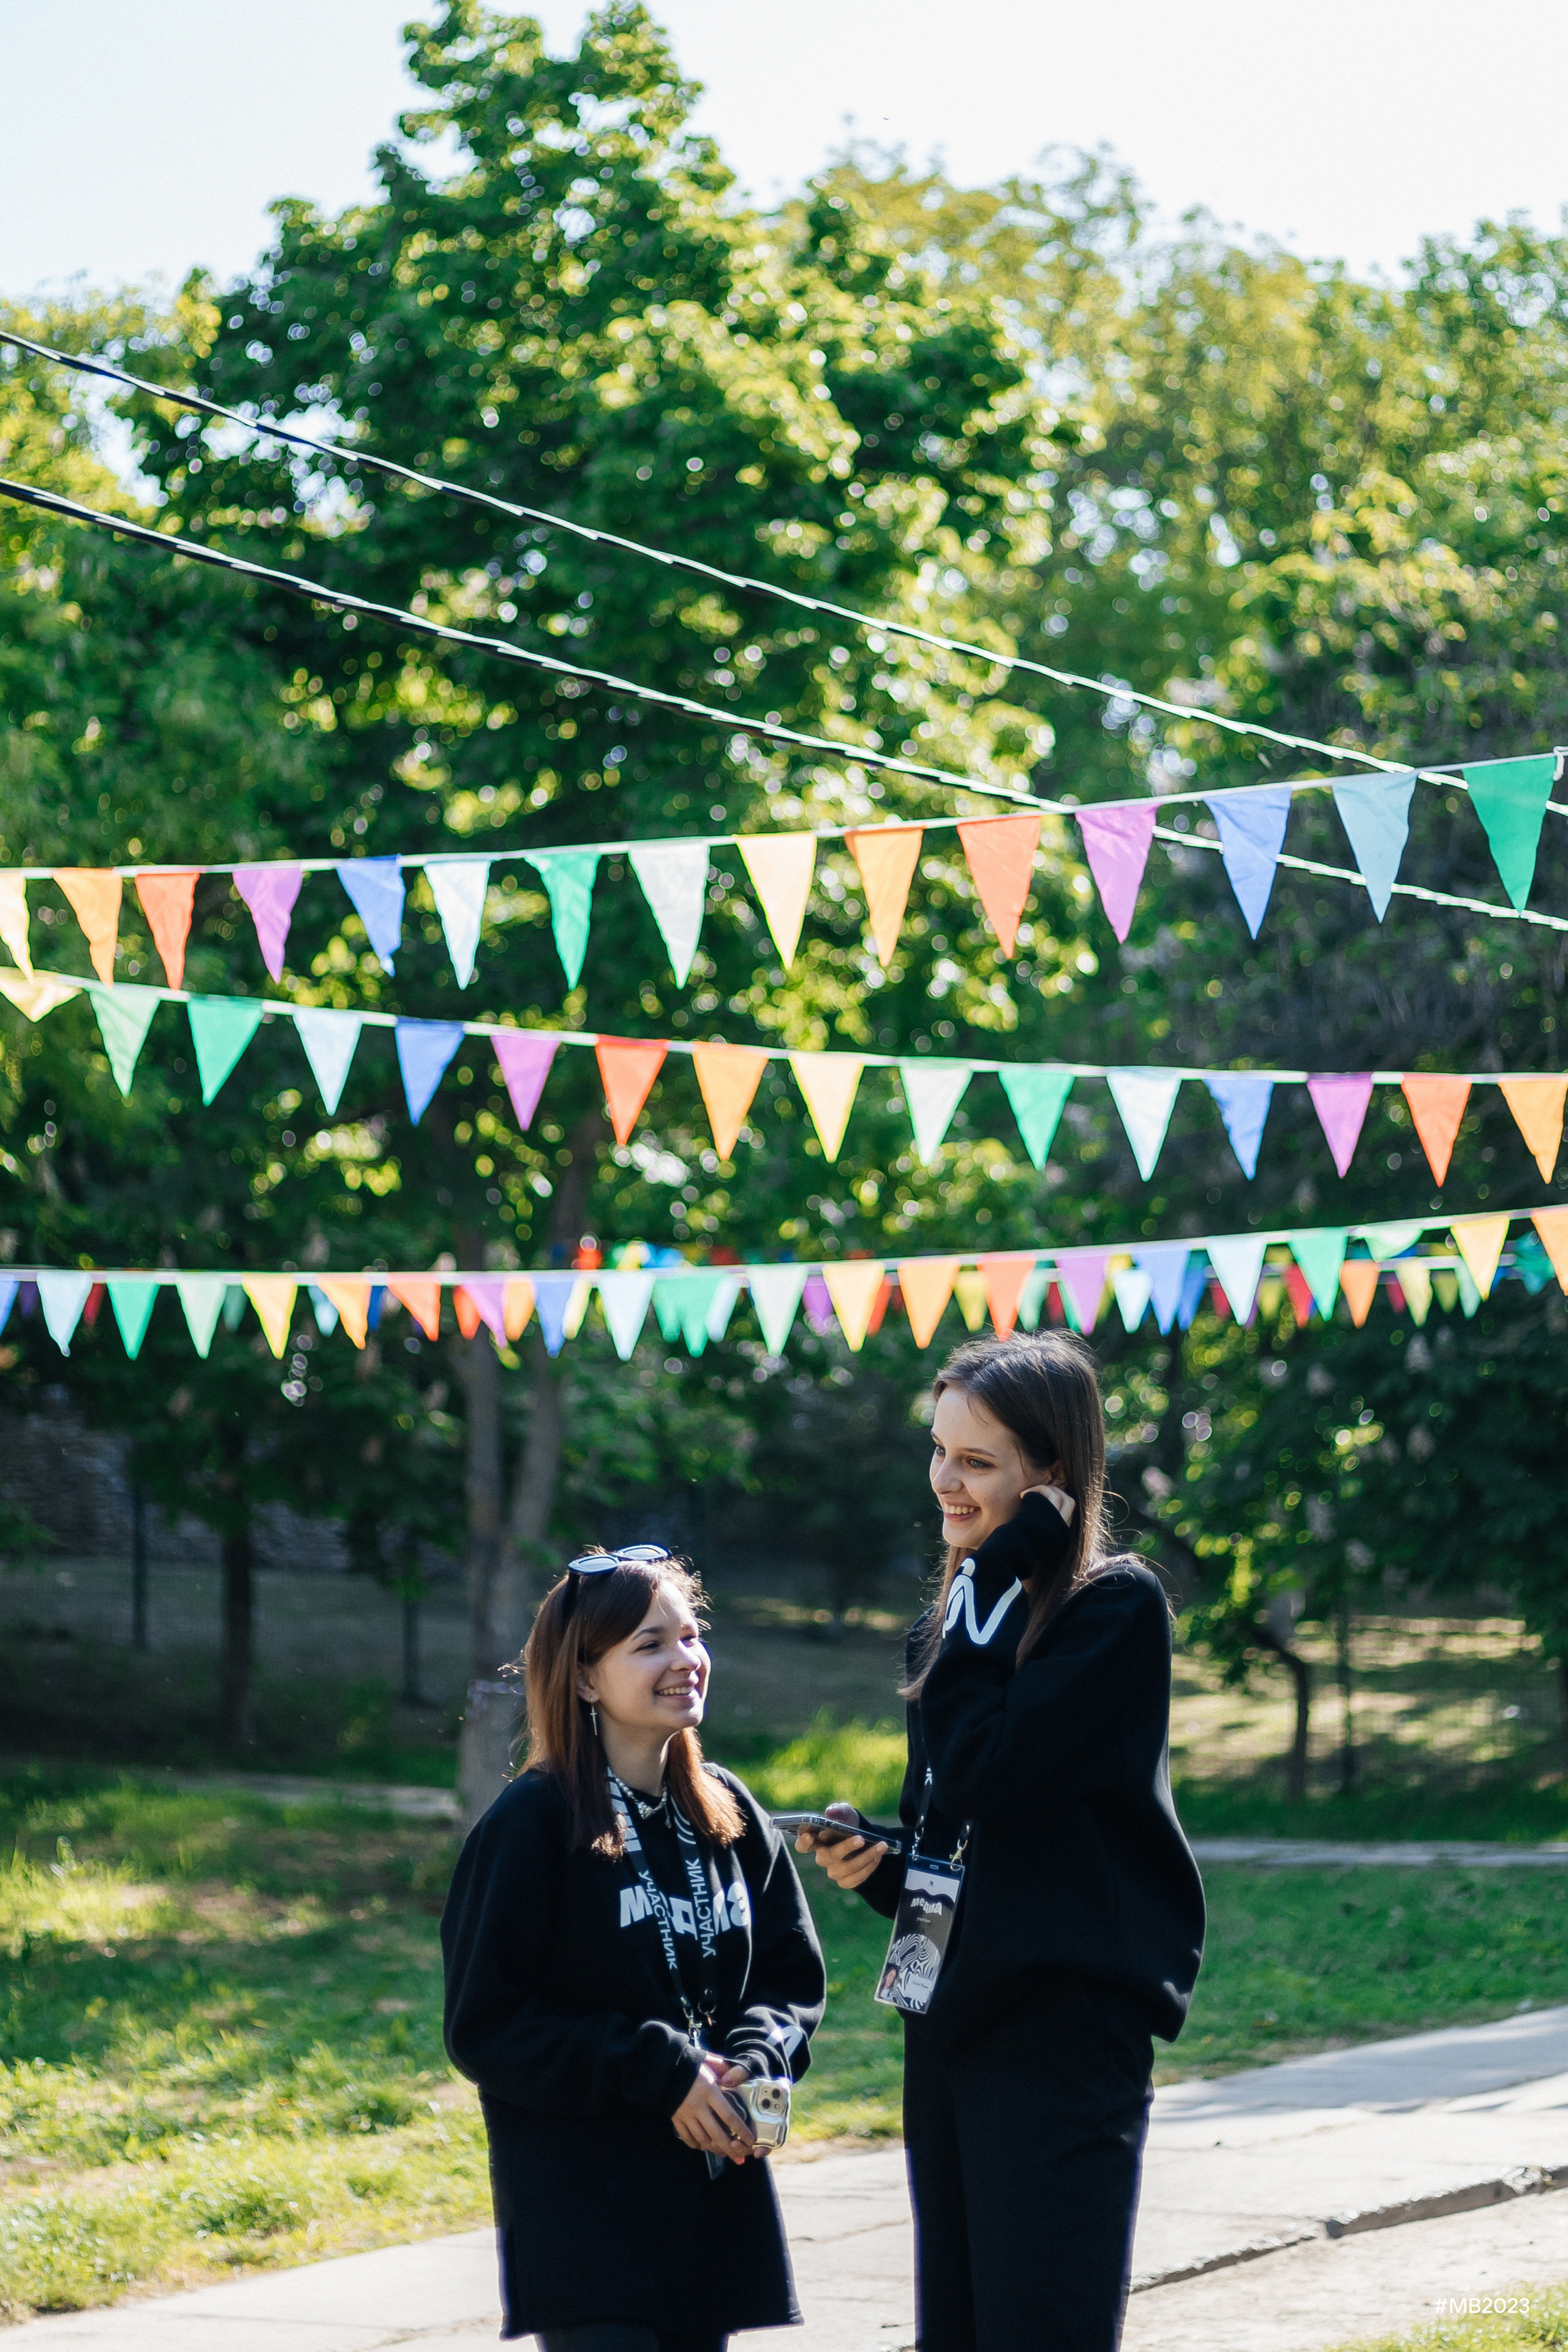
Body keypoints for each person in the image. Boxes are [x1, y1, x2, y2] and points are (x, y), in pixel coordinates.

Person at [797, 1333, 1205, 2352]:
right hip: (951, 2026)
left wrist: (1002, 1565)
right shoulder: (953, 1629)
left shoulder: (1113, 1611)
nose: (944, 1480)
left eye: (977, 1461)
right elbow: (968, 1830)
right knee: (958, 2332)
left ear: (1051, 1477)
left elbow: (986, 1768)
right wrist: (882, 1866)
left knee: (1039, 2329)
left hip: (1061, 2034)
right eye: (938, 1450)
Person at [443, 1544, 826, 2351]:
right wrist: (660, 2070)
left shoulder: (725, 1809)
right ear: (586, 1680)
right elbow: (487, 2025)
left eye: (691, 1636)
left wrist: (755, 2060)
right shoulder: (532, 1825)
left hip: (710, 2210)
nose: (685, 1659)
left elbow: (790, 1976)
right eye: (650, 1645)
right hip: (588, 2224)